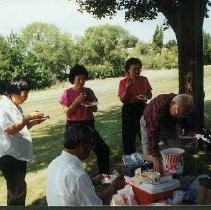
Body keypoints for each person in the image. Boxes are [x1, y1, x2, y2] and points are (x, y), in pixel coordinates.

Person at [46, 124, 125, 206]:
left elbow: (70, 189)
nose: (92, 148)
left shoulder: (53, 164)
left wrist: (92, 181)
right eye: (92, 144)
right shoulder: (78, 176)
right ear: (83, 145)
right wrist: (113, 187)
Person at [0, 79, 47, 206]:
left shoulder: (16, 107)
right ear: (13, 93)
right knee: (17, 192)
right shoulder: (2, 107)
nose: (26, 96)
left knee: (19, 190)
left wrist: (33, 122)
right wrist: (27, 118)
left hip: (18, 154)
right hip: (9, 156)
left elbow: (20, 128)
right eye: (24, 93)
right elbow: (10, 130)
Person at [59, 64, 110, 174]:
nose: (82, 81)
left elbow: (95, 108)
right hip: (73, 126)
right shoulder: (67, 93)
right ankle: (72, 175)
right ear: (73, 79)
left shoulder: (89, 91)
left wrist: (90, 105)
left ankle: (104, 176)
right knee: (73, 154)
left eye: (84, 78)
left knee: (103, 150)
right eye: (79, 79)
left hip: (88, 125)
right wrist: (76, 102)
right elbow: (67, 112)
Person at [140, 93, 194, 174]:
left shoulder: (182, 105)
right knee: (149, 153)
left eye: (182, 114)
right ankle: (152, 175)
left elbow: (184, 119)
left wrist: (189, 130)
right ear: (172, 104)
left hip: (169, 123)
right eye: (178, 113)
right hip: (149, 124)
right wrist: (156, 157)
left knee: (175, 151)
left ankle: (174, 174)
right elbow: (152, 134)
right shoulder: (157, 110)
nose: (179, 116)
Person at [118, 57, 152, 155]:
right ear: (128, 70)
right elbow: (123, 100)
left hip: (142, 108)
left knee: (145, 135)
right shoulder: (123, 82)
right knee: (129, 138)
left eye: (139, 69)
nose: (137, 71)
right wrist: (127, 89)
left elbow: (149, 95)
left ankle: (149, 158)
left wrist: (146, 96)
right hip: (129, 110)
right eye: (134, 69)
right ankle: (131, 162)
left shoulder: (144, 80)